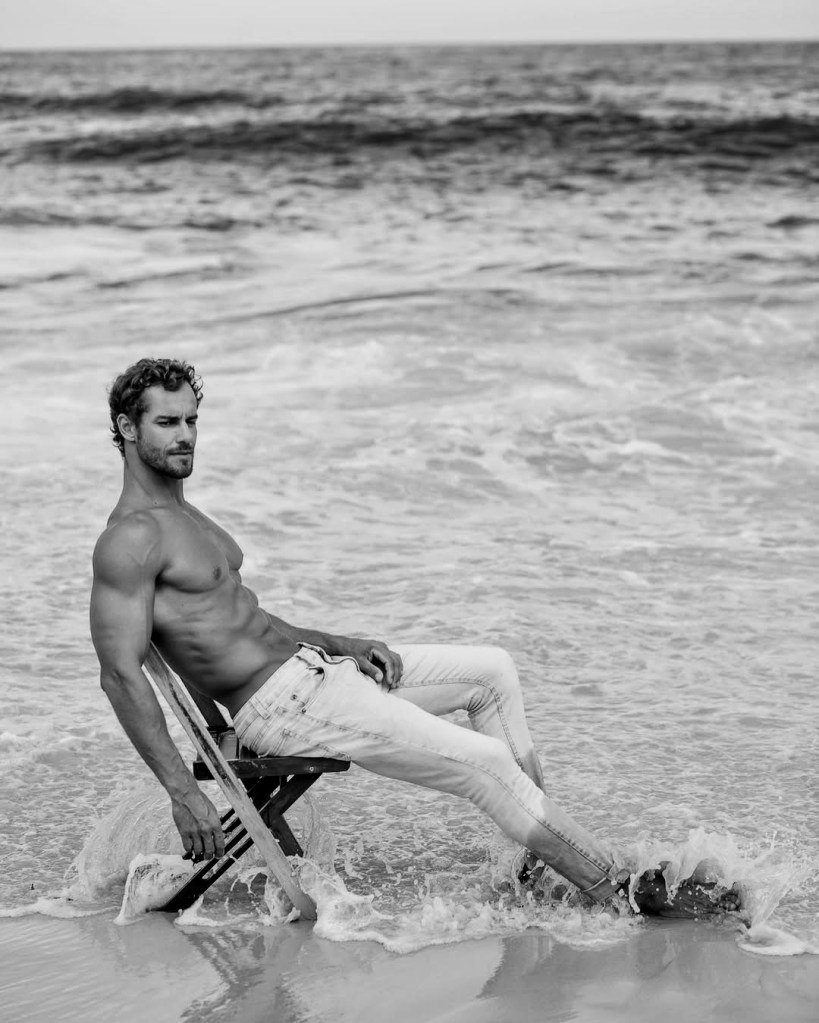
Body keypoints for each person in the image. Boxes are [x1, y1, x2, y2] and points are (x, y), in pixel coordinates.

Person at [90, 357, 741, 919]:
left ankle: (539, 857)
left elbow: (249, 620)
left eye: (191, 420)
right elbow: (120, 673)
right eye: (167, 422)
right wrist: (184, 794)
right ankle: (613, 887)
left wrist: (340, 642)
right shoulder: (132, 538)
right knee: (485, 765)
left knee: (492, 671)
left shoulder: (183, 514)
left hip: (314, 672)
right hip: (284, 707)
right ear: (128, 427)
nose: (185, 435)